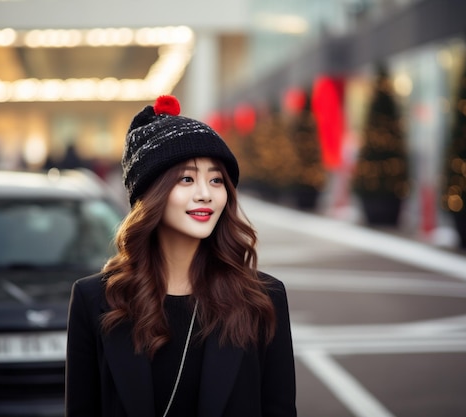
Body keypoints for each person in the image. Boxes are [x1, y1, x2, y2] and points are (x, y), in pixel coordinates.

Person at [65, 95, 297, 417]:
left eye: (216, 180)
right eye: (187, 179)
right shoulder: (95, 300)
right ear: (151, 194)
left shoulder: (263, 298)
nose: (205, 193)